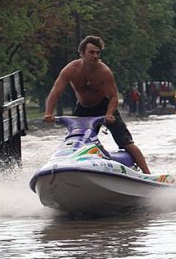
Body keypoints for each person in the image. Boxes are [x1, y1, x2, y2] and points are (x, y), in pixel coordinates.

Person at [43, 35, 151, 174]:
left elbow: (113, 97)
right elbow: (55, 92)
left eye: (98, 53)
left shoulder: (104, 72)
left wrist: (109, 113)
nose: (95, 56)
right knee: (77, 142)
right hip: (83, 109)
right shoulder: (70, 70)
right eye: (91, 52)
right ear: (82, 53)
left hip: (104, 107)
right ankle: (71, 169)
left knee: (126, 143)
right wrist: (48, 113)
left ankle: (147, 174)